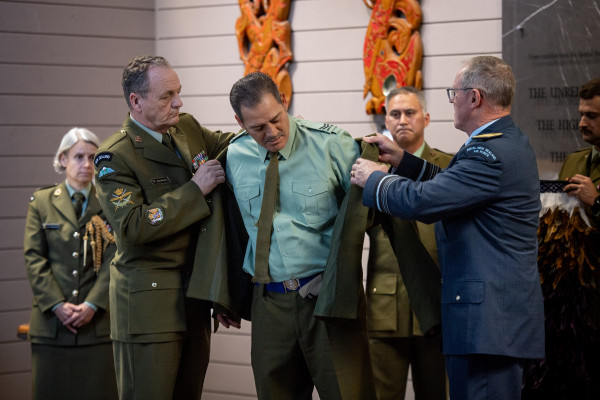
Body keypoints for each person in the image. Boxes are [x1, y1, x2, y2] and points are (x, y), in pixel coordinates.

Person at [350, 55, 545, 400]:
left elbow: (424, 202)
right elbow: (454, 187)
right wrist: (403, 161)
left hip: (487, 328)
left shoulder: (490, 153)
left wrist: (375, 180)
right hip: (491, 323)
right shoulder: (503, 142)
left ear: (475, 97)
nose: (452, 101)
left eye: (453, 93)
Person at [217, 71, 376, 399]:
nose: (272, 132)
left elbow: (368, 214)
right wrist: (225, 294)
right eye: (258, 127)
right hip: (269, 303)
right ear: (239, 122)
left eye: (276, 119)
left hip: (326, 299)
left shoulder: (331, 144)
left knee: (349, 392)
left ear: (284, 101)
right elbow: (230, 232)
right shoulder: (234, 155)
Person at [93, 55, 233, 400]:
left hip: (195, 297)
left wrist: (273, 127)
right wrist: (194, 189)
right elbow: (132, 227)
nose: (178, 102)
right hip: (149, 306)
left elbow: (232, 145)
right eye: (167, 95)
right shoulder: (116, 157)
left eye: (179, 93)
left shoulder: (185, 128)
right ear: (136, 101)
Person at [366, 87, 450, 400]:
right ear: (386, 120)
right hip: (386, 304)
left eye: (410, 113)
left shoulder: (448, 167)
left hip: (437, 304)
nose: (402, 120)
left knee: (437, 393)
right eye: (395, 114)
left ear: (426, 118)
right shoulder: (371, 169)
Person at [24, 127, 118, 400]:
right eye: (78, 157)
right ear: (63, 159)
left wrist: (92, 304)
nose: (86, 165)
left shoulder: (109, 201)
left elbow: (115, 258)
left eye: (92, 157)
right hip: (51, 326)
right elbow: (34, 257)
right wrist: (56, 304)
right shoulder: (41, 202)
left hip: (98, 326)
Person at [560, 77, 600, 221]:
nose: (582, 124)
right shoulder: (573, 161)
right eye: (581, 115)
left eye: (591, 116)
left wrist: (596, 202)